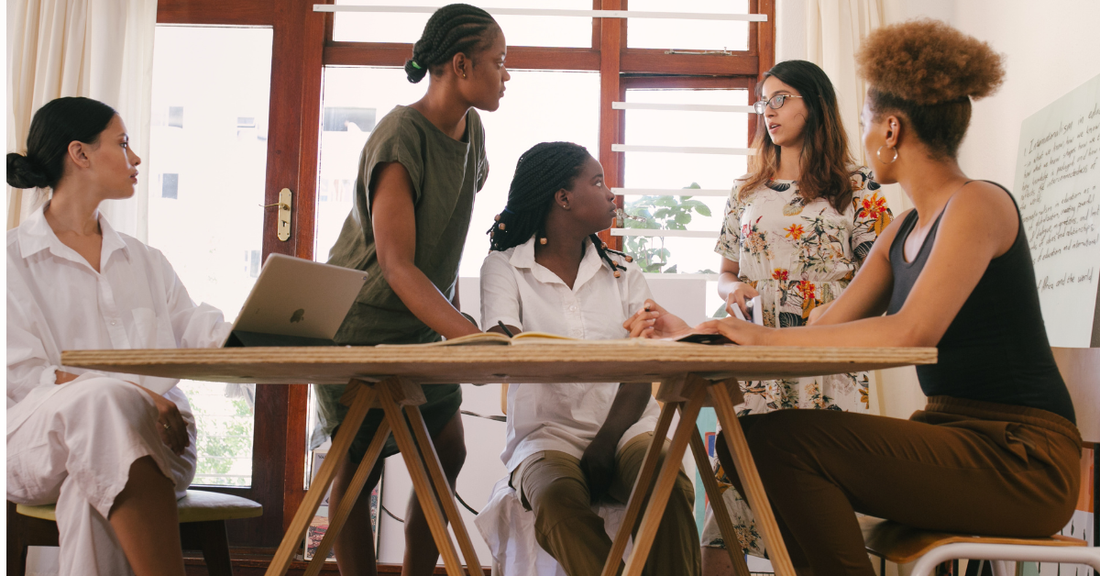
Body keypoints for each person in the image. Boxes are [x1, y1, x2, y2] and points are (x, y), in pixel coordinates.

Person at [699, 20, 1080, 576]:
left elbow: (911, 332)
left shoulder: (977, 204)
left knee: (775, 446)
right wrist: (712, 333)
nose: (864, 136)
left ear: (892, 130)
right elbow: (827, 327)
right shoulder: (902, 228)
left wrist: (761, 337)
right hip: (951, 437)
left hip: (1020, 459)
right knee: (746, 441)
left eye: (866, 122)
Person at [313, 4, 509, 575]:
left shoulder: (472, 130)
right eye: (499, 62)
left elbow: (445, 239)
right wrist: (470, 337)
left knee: (446, 454)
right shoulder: (400, 135)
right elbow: (397, 266)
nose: (505, 75)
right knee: (359, 467)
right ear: (460, 64)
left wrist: (456, 331)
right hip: (362, 326)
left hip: (423, 326)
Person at [7, 97, 231, 576]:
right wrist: (137, 396)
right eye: (123, 143)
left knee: (93, 484)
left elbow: (198, 329)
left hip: (161, 443)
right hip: (36, 444)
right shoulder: (10, 261)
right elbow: (23, 378)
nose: (136, 158)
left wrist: (268, 329)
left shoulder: (145, 260)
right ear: (80, 154)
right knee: (107, 404)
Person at [703, 59, 891, 571]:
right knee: (732, 510)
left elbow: (885, 278)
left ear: (816, 103)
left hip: (828, 360)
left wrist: (836, 309)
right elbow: (723, 273)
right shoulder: (745, 190)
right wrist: (733, 288)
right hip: (756, 360)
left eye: (782, 98)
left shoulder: (860, 187)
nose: (769, 111)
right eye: (764, 101)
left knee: (818, 514)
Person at [479, 141, 701, 576]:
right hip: (545, 437)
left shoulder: (624, 272)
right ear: (563, 198)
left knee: (667, 487)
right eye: (597, 181)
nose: (610, 193)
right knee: (557, 504)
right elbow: (507, 352)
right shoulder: (504, 268)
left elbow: (641, 373)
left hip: (626, 431)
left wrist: (604, 442)